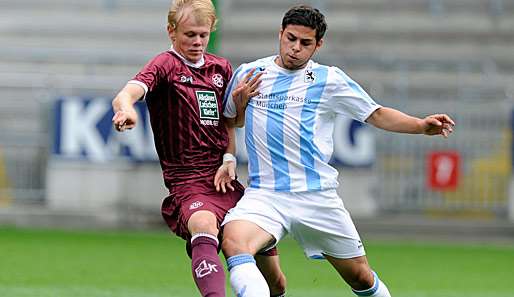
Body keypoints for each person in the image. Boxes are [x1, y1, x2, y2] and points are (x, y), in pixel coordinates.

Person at [219, 4, 455, 297]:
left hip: (317, 197)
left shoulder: (329, 79)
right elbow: (229, 119)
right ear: (280, 33)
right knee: (233, 242)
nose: (295, 48)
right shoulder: (250, 73)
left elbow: (376, 114)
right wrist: (230, 149)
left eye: (305, 43)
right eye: (290, 38)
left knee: (360, 277)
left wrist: (420, 125)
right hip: (266, 194)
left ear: (318, 44)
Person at [111, 1, 286, 296]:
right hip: (187, 182)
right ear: (171, 30)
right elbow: (127, 93)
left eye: (203, 35)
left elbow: (231, 121)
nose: (197, 42)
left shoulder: (221, 68)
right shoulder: (165, 64)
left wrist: (230, 154)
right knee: (203, 223)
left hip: (224, 180)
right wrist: (126, 109)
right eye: (190, 34)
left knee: (275, 280)